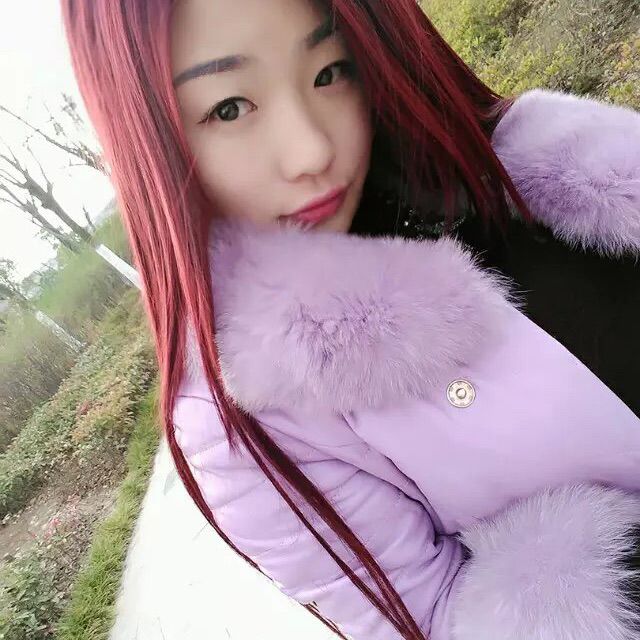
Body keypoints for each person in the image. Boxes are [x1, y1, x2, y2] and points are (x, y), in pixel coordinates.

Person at [61, 0, 640, 638]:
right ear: (153, 140)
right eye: (229, 108)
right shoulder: (246, 426)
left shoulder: (510, 159)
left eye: (329, 71)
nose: (312, 149)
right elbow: (431, 618)